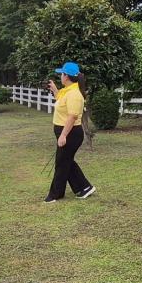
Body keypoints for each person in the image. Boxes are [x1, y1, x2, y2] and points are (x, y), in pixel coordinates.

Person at [45, 61, 95, 203]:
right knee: (66, 161)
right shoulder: (67, 91)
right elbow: (61, 101)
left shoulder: (74, 93)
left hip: (71, 133)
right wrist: (55, 90)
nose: (60, 76)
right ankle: (84, 187)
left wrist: (63, 135)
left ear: (66, 76)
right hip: (66, 131)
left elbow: (72, 116)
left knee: (61, 163)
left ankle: (55, 194)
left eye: (61, 74)